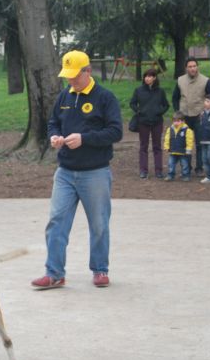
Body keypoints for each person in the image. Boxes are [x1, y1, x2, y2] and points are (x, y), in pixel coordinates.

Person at [31, 50, 122, 291]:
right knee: (56, 222)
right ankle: (54, 273)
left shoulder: (105, 98)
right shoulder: (64, 96)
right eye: (68, 76)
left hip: (95, 172)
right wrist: (54, 136)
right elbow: (53, 123)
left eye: (75, 75)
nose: (71, 80)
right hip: (65, 172)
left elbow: (115, 132)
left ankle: (100, 269)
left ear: (88, 71)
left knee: (99, 224)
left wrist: (85, 138)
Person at [172, 58, 210, 176]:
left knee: (199, 144)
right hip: (184, 116)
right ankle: (186, 168)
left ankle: (199, 168)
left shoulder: (205, 81)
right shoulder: (180, 80)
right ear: (186, 68)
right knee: (184, 143)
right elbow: (175, 97)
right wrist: (177, 112)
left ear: (197, 67)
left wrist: (207, 111)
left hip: (199, 116)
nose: (192, 68)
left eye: (194, 66)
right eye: (190, 66)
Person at [129, 69, 169, 179]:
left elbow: (166, 105)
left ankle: (158, 171)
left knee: (157, 146)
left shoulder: (160, 91)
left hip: (157, 122)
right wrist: (139, 111)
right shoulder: (138, 90)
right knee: (143, 146)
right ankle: (143, 171)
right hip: (143, 122)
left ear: (154, 78)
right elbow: (132, 103)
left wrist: (159, 112)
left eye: (150, 76)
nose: (147, 78)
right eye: (146, 76)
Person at [163, 111, 194, 182]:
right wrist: (166, 147)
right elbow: (167, 139)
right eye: (174, 121)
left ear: (183, 121)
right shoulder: (170, 129)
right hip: (173, 151)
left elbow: (189, 140)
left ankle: (185, 175)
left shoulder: (187, 130)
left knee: (184, 164)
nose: (176, 123)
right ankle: (170, 175)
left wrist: (188, 149)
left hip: (183, 151)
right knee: (171, 164)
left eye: (178, 121)